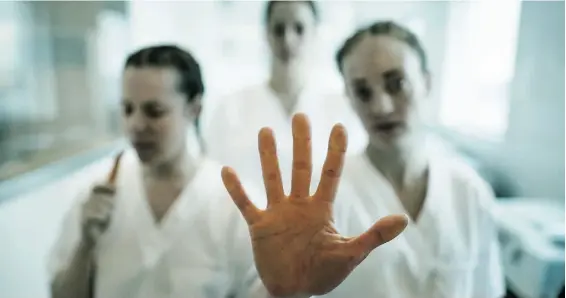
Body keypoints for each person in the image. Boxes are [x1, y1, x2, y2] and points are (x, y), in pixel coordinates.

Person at [47, 44, 408, 298]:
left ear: (194, 108)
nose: (136, 125)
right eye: (127, 109)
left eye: (154, 111)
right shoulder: (96, 196)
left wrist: (291, 290)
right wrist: (85, 243)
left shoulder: (234, 205)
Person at [323, 21, 506, 298]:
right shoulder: (328, 197)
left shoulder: (468, 192)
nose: (381, 106)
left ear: (426, 83)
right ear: (349, 98)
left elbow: (487, 291)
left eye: (397, 84)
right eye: (362, 92)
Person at [203, 0, 367, 191]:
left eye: (299, 28)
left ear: (315, 33)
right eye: (278, 29)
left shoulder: (341, 107)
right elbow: (214, 177)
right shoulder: (231, 109)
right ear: (266, 33)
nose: (287, 40)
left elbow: (354, 177)